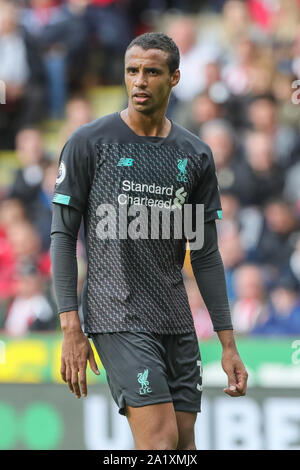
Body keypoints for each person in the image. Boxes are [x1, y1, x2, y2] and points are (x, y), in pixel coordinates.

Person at [50, 32, 248, 450]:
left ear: (174, 78)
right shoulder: (90, 143)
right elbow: (63, 237)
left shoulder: (194, 154)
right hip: (115, 313)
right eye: (132, 71)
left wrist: (228, 344)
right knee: (158, 442)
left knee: (183, 446)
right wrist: (71, 325)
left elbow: (206, 254)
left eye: (152, 72)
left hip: (175, 317)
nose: (139, 81)